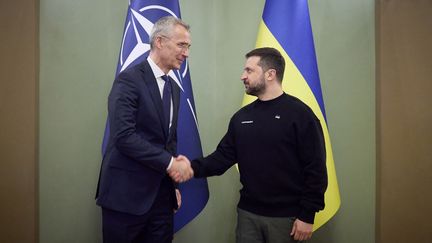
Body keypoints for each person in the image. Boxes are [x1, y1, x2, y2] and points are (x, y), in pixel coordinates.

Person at [177, 47, 328, 242]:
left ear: (270, 74)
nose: (242, 76)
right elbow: (221, 158)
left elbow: (316, 169)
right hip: (248, 215)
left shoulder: (301, 115)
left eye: (249, 70)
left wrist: (307, 215)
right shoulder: (242, 118)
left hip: (287, 219)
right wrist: (190, 168)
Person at [95, 16, 194, 243]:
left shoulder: (174, 88)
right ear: (159, 42)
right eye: (181, 45)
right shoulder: (128, 81)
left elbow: (169, 141)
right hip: (125, 198)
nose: (186, 53)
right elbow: (124, 136)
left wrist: (173, 184)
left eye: (188, 47)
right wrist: (171, 164)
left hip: (161, 199)